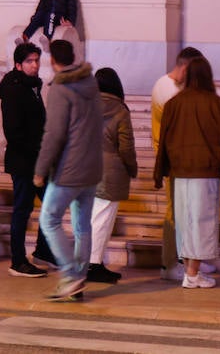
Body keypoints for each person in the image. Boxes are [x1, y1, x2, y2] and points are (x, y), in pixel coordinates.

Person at [154, 56, 220, 290]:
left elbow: (164, 139)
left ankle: (190, 272)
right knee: (203, 222)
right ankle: (192, 273)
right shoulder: (216, 104)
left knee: (184, 222)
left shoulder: (174, 103)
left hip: (180, 171)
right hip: (207, 171)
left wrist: (160, 171)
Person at [33, 39, 103, 301]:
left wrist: (40, 170)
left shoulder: (60, 89)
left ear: (52, 61)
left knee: (48, 219)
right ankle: (79, 279)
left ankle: (71, 276)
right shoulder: (90, 83)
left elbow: (54, 134)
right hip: (92, 167)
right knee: (82, 225)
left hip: (69, 169)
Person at [0, 41, 57, 277]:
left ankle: (43, 251)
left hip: (37, 159)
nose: (35, 65)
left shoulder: (32, 86)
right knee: (22, 210)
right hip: (24, 161)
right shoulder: (14, 89)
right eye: (29, 61)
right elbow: (13, 131)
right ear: (18, 65)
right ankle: (18, 261)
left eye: (37, 60)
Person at [150, 46, 201, 280]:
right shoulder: (168, 90)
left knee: (183, 211)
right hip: (173, 159)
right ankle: (170, 263)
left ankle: (185, 260)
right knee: (175, 212)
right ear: (184, 67)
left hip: (176, 158)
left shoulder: (170, 86)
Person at [88, 67, 137, 284]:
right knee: (102, 221)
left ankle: (93, 263)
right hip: (109, 173)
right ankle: (93, 265)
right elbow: (126, 147)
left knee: (91, 220)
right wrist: (132, 167)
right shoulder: (120, 110)